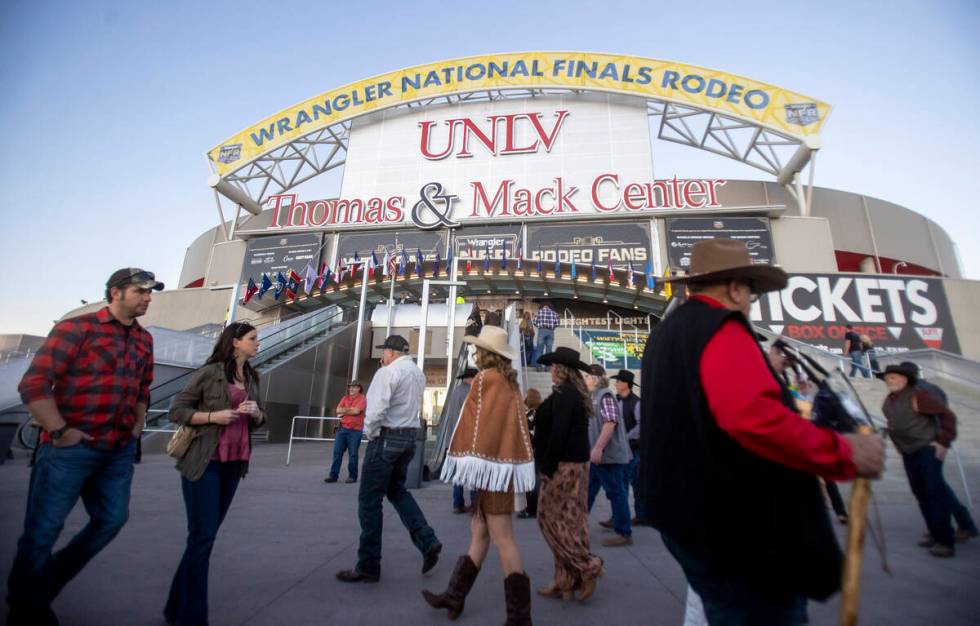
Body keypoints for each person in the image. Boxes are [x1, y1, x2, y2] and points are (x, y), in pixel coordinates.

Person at [641, 239, 884, 625]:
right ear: (735, 288)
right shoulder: (720, 328)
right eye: (751, 292)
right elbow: (753, 418)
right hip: (734, 528)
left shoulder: (667, 333)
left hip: (688, 516)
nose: (751, 302)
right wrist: (843, 450)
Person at [8, 268, 162, 625]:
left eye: (150, 292)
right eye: (140, 291)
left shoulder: (144, 340)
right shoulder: (77, 329)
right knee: (44, 530)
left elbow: (143, 387)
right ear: (116, 292)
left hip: (118, 448)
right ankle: (26, 608)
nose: (147, 298)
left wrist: (139, 423)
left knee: (111, 519)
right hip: (70, 448)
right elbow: (34, 384)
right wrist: (60, 430)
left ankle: (39, 588)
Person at [424, 326, 535, 625]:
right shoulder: (510, 383)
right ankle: (454, 595)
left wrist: (469, 460)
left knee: (504, 540)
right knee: (480, 534)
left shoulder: (486, 379)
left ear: (488, 353)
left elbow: (474, 426)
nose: (474, 352)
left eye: (478, 348)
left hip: (491, 472)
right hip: (501, 470)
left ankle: (520, 618)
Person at [164, 321, 266, 626]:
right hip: (205, 461)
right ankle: (193, 617)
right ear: (235, 342)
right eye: (252, 338)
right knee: (203, 537)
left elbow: (260, 418)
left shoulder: (252, 376)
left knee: (202, 538)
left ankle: (174, 608)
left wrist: (257, 413)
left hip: (234, 464)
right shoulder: (210, 373)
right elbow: (176, 410)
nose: (257, 343)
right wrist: (212, 416)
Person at [336, 335, 442, 583]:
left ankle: (368, 565)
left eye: (384, 352)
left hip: (385, 438)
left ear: (392, 353)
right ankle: (427, 540)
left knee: (369, 501)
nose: (382, 356)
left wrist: (370, 434)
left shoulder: (387, 373)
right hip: (407, 439)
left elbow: (375, 409)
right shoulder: (417, 373)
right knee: (397, 491)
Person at [878, 363, 976, 556]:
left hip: (927, 448)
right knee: (921, 493)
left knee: (934, 492)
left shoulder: (918, 395)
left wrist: (942, 441)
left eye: (894, 377)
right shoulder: (888, 402)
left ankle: (945, 541)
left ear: (905, 379)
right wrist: (898, 443)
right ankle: (935, 533)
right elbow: (895, 424)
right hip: (908, 451)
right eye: (888, 378)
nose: (890, 381)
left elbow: (946, 416)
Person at [533, 347, 604, 602]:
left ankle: (587, 567)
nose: (550, 369)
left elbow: (559, 433)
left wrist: (547, 467)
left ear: (562, 369)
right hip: (576, 464)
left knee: (547, 517)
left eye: (553, 366)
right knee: (570, 521)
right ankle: (565, 580)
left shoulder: (566, 395)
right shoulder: (571, 393)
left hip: (564, 465)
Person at [584, 364, 633, 546]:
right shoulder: (595, 396)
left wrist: (597, 448)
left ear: (595, 379)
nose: (585, 379)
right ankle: (579, 526)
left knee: (616, 493)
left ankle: (624, 532)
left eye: (587, 377)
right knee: (588, 492)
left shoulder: (604, 396)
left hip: (608, 456)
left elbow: (610, 423)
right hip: (600, 457)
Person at [604, 370, 647, 527]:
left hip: (633, 448)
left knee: (627, 482)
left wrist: (625, 437)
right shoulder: (616, 400)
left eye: (618, 381)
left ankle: (629, 516)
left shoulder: (636, 402)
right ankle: (624, 515)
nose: (615, 384)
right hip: (622, 448)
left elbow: (640, 426)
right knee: (624, 482)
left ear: (626, 384)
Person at [442, 367, 479, 513]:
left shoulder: (456, 392)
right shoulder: (473, 393)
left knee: (458, 475)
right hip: (468, 439)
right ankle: (475, 504)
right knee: (472, 474)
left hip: (454, 439)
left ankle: (457, 503)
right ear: (472, 378)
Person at [325, 381, 366, 483]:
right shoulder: (345, 398)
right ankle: (333, 475)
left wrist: (345, 410)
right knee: (337, 452)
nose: (351, 389)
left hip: (355, 430)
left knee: (353, 454)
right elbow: (338, 410)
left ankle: (352, 476)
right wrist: (350, 410)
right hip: (342, 429)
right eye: (350, 387)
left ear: (359, 389)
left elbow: (357, 411)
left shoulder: (362, 398)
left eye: (354, 387)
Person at [517, 389, 543, 519]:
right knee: (537, 478)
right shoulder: (541, 412)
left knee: (531, 480)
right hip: (540, 449)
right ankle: (537, 507)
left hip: (530, 450)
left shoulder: (528, 414)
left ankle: (531, 508)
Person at [532, 304, 560, 371]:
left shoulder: (539, 312)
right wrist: (552, 328)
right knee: (549, 350)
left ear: (542, 307)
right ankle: (547, 368)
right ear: (549, 307)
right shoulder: (554, 313)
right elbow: (558, 323)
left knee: (539, 350)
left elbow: (534, 322)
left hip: (541, 331)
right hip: (550, 332)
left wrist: (539, 326)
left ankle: (538, 367)